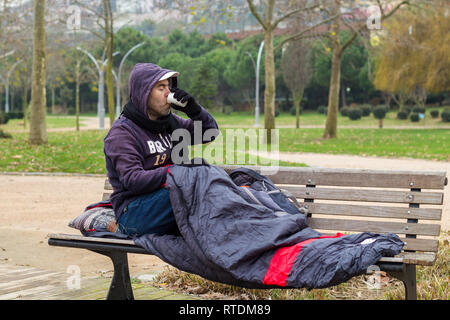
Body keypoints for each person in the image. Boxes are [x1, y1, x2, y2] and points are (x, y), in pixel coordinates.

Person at [104, 62, 219, 237]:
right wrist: (179, 171)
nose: (169, 93)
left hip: (166, 200)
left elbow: (210, 133)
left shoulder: (170, 123)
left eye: (169, 87)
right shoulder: (122, 133)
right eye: (161, 87)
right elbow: (133, 180)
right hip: (135, 212)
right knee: (197, 187)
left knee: (209, 183)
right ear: (144, 93)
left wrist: (194, 111)